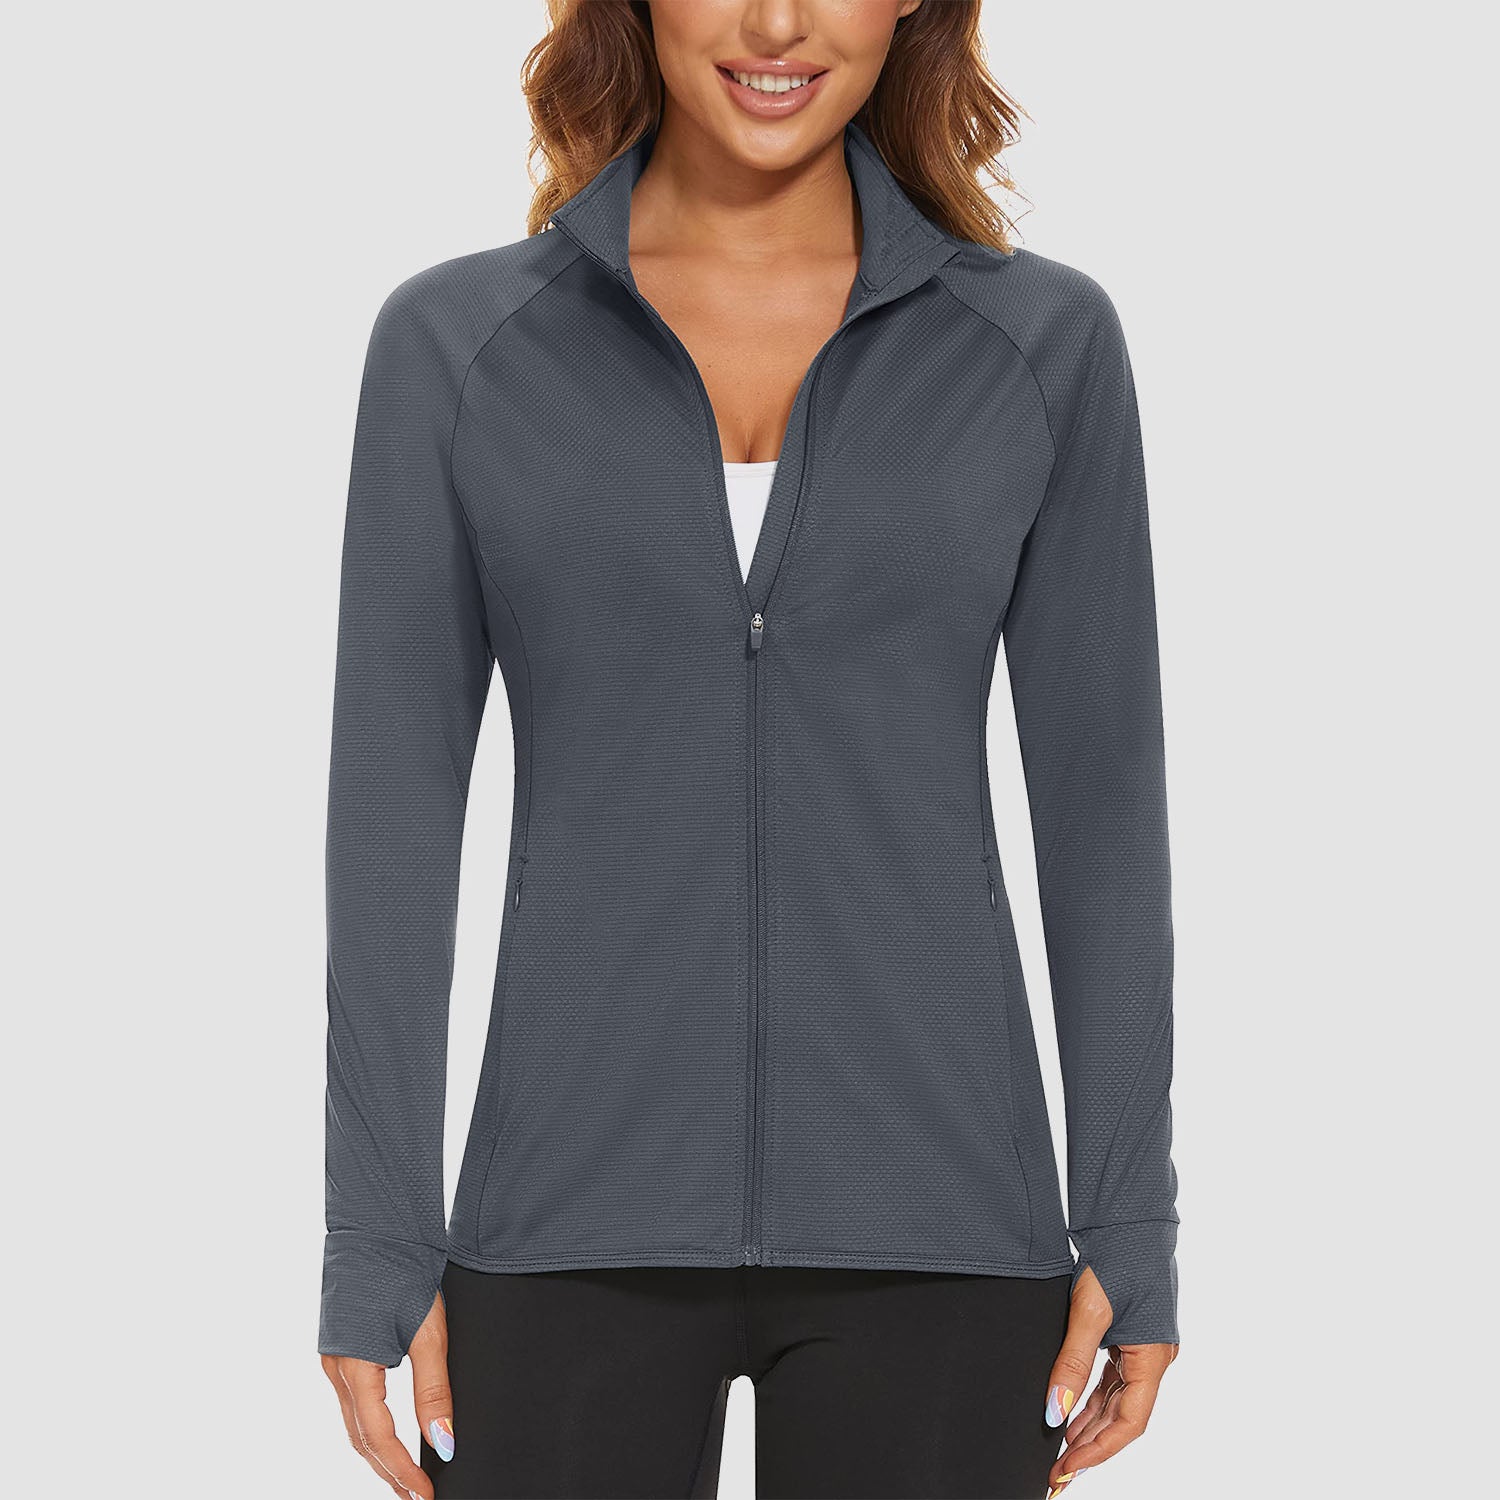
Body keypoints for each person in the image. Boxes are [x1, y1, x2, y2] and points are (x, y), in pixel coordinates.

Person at [317, 2, 1180, 1496]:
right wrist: (376, 1237)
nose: (777, 22)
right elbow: (388, 825)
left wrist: (1130, 1214)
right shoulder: (459, 346)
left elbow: (1105, 815)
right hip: (561, 1218)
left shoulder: (1040, 345)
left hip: (943, 1227)